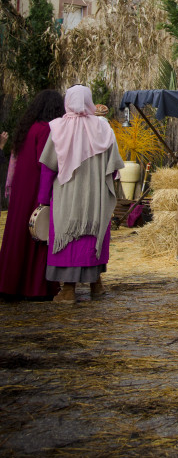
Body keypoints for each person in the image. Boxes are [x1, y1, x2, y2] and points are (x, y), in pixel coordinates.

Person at [38, 84, 124, 304]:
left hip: (67, 199)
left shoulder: (57, 128)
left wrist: (42, 200)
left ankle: (68, 290)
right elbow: (113, 168)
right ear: (89, 101)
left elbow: (48, 168)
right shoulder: (104, 129)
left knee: (69, 237)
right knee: (93, 236)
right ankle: (96, 284)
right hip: (95, 198)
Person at [0, 90, 65, 300]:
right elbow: (44, 162)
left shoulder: (27, 128)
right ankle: (35, 288)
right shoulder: (46, 129)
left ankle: (9, 284)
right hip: (36, 187)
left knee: (17, 233)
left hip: (21, 188)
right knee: (38, 233)